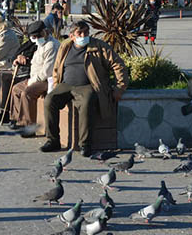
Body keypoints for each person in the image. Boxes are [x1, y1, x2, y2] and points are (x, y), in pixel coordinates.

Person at [42, 20, 129, 156]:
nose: (83, 35)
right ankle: (52, 140)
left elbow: (118, 65)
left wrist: (119, 88)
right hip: (65, 84)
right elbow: (57, 66)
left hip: (88, 85)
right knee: (49, 100)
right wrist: (55, 84)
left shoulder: (99, 46)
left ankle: (85, 144)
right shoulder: (65, 46)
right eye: (79, 33)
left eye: (86, 32)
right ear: (71, 36)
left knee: (87, 103)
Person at [6, 21, 60, 128]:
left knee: (27, 93)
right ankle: (17, 119)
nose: (34, 39)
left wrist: (31, 81)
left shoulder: (51, 46)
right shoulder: (40, 44)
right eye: (32, 37)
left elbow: (47, 71)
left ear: (43, 33)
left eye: (36, 36)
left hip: (46, 80)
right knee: (16, 89)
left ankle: (29, 126)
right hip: (35, 77)